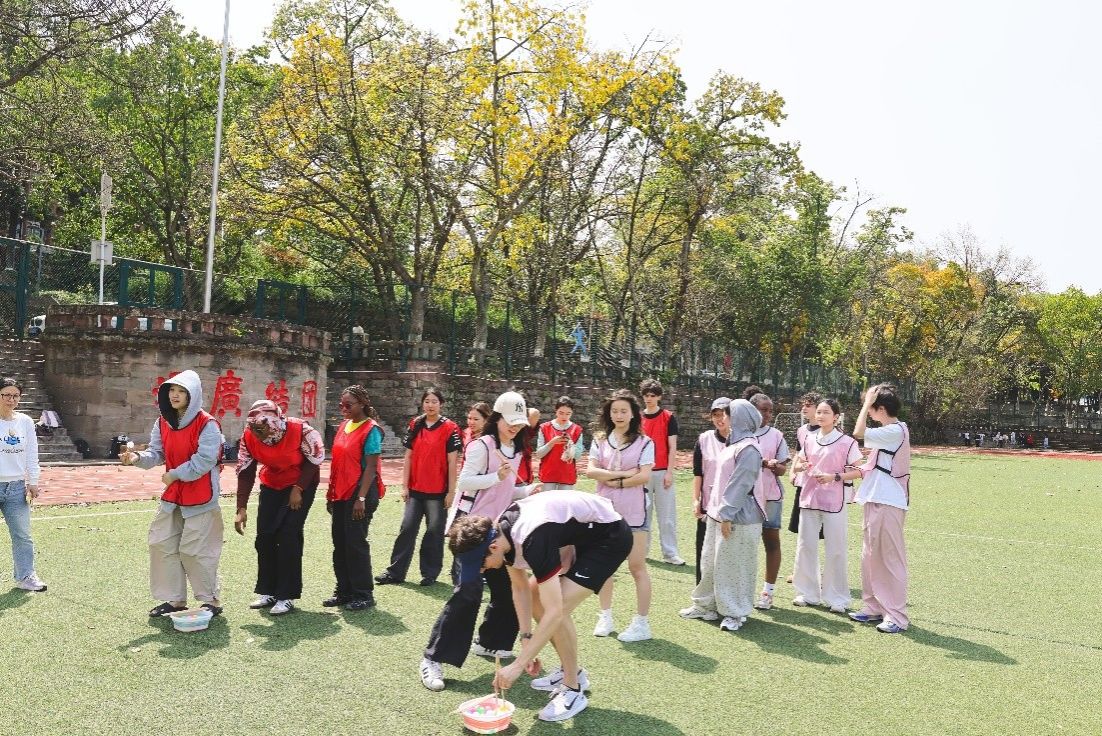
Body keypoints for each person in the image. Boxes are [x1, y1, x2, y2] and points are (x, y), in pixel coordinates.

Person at [451, 490, 633, 722]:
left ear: (493, 547)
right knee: (539, 600)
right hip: (580, 534)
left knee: (556, 609)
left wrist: (519, 664)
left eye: (480, 564)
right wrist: (526, 637)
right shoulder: (500, 534)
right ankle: (572, 672)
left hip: (609, 538)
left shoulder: (532, 537)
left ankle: (573, 688)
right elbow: (520, 588)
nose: (480, 570)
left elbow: (555, 611)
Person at [419, 392, 537, 692]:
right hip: (471, 528)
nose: (515, 427)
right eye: (510, 421)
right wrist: (496, 476)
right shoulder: (481, 445)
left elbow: (507, 491)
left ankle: (491, 642)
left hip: (500, 531)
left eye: (519, 423)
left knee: (509, 590)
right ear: (497, 418)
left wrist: (528, 492)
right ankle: (433, 658)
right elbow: (465, 481)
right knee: (468, 592)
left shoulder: (516, 449)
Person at [120, 370, 225, 617]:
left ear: (193, 395)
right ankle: (174, 600)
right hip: (174, 494)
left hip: (200, 495)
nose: (174, 395)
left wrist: (175, 474)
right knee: (161, 543)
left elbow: (205, 460)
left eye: (181, 391)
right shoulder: (162, 422)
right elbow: (157, 453)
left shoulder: (207, 424)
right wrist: (136, 458)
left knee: (195, 550)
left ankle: (211, 601)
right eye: (171, 391)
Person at [233, 399, 325, 615]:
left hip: (300, 484)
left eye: (262, 429)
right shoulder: (249, 436)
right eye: (254, 429)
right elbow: (246, 471)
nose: (258, 434)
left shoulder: (302, 431)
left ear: (275, 422)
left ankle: (286, 595)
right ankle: (268, 591)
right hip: (272, 484)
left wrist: (298, 488)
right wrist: (241, 508)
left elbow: (314, 460)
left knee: (288, 536)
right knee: (264, 536)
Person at [680, 399, 765, 631]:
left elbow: (741, 484)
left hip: (738, 517)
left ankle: (735, 613)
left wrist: (727, 515)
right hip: (717, 514)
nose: (724, 418)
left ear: (740, 418)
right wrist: (717, 512)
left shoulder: (749, 448)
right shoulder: (733, 444)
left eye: (728, 414)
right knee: (710, 562)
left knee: (734, 567)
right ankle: (705, 605)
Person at [587, 389, 655, 642]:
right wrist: (625, 475)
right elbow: (591, 471)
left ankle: (642, 623)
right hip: (604, 511)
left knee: (637, 567)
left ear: (633, 414)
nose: (618, 415)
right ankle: (605, 616)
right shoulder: (600, 439)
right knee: (605, 567)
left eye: (623, 411)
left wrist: (616, 482)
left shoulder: (645, 442)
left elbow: (644, 476)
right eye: (614, 411)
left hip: (635, 512)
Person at [376, 387, 461, 587]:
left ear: (441, 404)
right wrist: (404, 486)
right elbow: (408, 457)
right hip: (415, 490)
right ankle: (395, 572)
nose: (430, 405)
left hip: (437, 492)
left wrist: (451, 492)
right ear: (422, 403)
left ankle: (429, 574)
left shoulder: (450, 428)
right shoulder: (415, 424)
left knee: (433, 533)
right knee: (406, 529)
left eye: (434, 401)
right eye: (427, 401)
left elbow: (452, 462)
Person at [790, 398, 862, 613]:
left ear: (836, 417)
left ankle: (837, 598)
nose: (820, 415)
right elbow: (797, 464)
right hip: (809, 498)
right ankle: (807, 593)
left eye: (826, 412)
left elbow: (859, 471)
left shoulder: (847, 442)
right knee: (805, 545)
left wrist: (834, 477)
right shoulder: (808, 438)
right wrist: (801, 466)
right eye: (819, 412)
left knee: (836, 549)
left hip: (834, 500)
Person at [850, 384, 912, 634]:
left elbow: (858, 432)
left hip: (889, 500)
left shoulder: (895, 430)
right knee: (869, 556)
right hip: (875, 497)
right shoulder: (889, 431)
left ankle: (896, 616)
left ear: (881, 408)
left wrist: (867, 402)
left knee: (890, 559)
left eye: (871, 407)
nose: (869, 412)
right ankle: (873, 607)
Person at [326, 385, 386, 610]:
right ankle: (343, 591)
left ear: (362, 404)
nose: (343, 408)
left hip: (360, 493)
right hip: (341, 493)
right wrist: (331, 495)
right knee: (340, 543)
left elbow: (371, 467)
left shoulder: (371, 429)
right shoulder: (344, 425)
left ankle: (363, 594)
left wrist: (360, 498)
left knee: (355, 544)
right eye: (341, 405)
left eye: (348, 405)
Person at [744, 390, 790, 610]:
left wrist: (773, 465)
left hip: (770, 496)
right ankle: (743, 590)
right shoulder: (740, 433)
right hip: (746, 497)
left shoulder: (776, 435)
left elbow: (782, 469)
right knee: (745, 544)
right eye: (764, 410)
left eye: (770, 411)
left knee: (771, 542)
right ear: (752, 411)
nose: (768, 415)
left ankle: (767, 592)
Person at [0, 378, 47, 592]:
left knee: (22, 535)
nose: (11, 399)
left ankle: (26, 576)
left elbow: (31, 454)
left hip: (16, 488)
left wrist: (33, 481)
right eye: (6, 395)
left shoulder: (25, 421)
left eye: (15, 396)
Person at [639, 379, 683, 565]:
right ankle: (641, 551)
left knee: (667, 516)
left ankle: (670, 553)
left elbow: (672, 447)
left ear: (659, 397)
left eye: (652, 395)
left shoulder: (668, 417)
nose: (649, 399)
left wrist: (669, 472)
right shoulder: (637, 418)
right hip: (643, 473)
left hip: (663, 471)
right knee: (643, 514)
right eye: (646, 395)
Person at [690, 397, 732, 584]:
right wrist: (696, 499)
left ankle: (725, 593)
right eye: (716, 415)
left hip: (730, 507)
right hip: (708, 505)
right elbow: (698, 473)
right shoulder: (704, 439)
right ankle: (701, 590)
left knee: (727, 552)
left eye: (723, 414)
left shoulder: (741, 441)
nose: (720, 419)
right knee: (704, 551)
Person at [535, 396, 585, 490]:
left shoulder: (577, 430)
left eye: (568, 414)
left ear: (572, 413)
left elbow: (578, 456)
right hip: (548, 475)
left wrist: (570, 445)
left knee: (565, 500)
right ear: (556, 411)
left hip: (567, 476)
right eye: (561, 413)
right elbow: (539, 454)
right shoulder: (544, 427)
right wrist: (552, 442)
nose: (564, 417)